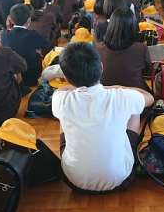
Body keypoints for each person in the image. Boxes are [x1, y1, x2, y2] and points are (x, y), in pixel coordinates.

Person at [52, 42, 154, 193]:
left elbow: (63, 90)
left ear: (66, 78)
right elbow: (149, 98)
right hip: (120, 180)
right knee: (135, 109)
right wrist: (117, 87)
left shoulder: (59, 98)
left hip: (74, 181)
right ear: (101, 67)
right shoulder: (121, 96)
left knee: (63, 116)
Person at [96, 7, 151, 92]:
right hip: (135, 94)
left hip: (107, 95)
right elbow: (147, 72)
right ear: (134, 27)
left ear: (111, 26)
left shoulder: (98, 49)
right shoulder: (141, 48)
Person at [1, 4, 51, 86]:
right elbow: (46, 45)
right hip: (31, 76)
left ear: (11, 20)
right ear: (29, 20)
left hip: (12, 76)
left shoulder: (4, 34)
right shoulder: (32, 34)